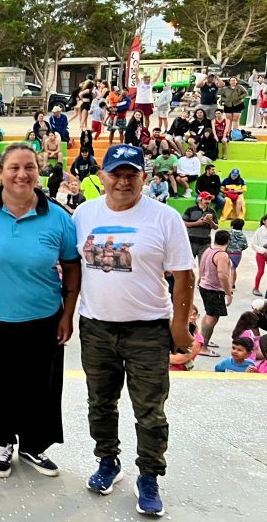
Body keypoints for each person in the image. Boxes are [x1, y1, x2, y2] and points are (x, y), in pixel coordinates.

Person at [72, 143, 195, 517]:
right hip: (96, 327)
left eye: (132, 174)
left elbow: (184, 275)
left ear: (145, 176)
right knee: (100, 403)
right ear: (102, 176)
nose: (123, 181)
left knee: (150, 410)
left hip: (147, 329)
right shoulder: (84, 213)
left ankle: (150, 476)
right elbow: (73, 266)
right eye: (116, 173)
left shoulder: (164, 217)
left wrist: (179, 326)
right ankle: (107, 461)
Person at [0, 142, 81, 479]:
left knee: (37, 386)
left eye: (29, 167)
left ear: (38, 172)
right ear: (0, 172)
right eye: (14, 167)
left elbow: (71, 266)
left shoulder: (57, 217)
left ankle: (32, 445)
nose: (22, 174)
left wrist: (68, 314)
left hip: (41, 319)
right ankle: (2, 441)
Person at [198, 230, 233, 358]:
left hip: (204, 286)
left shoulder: (209, 250)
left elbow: (201, 266)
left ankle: (201, 341)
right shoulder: (222, 255)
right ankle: (203, 347)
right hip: (214, 290)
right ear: (228, 241)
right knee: (212, 318)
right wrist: (228, 293)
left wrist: (200, 279)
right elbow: (223, 275)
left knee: (208, 315)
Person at [183, 191, 218, 258]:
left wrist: (211, 222)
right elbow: (183, 223)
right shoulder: (190, 210)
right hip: (191, 242)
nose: (208, 201)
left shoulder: (212, 211)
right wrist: (197, 223)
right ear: (200, 200)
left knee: (203, 266)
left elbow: (216, 227)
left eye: (209, 199)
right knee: (188, 265)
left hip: (205, 243)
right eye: (206, 199)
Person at [251, 215, 267, 296]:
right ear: (264, 221)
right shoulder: (259, 231)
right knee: (261, 271)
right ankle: (256, 288)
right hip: (261, 255)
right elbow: (253, 244)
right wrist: (263, 251)